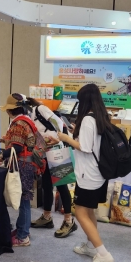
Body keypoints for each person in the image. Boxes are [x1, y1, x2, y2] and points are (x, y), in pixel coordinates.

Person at [56, 83, 114, 262]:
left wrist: (66, 138)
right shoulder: (101, 117)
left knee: (80, 213)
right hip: (98, 174)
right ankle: (91, 246)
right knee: (88, 212)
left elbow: (86, 148)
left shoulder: (88, 120)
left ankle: (103, 254)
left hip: (88, 175)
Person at [0, 94, 46, 247]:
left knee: (23, 201)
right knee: (24, 199)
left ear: (10, 110)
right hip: (29, 164)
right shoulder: (27, 120)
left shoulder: (18, 124)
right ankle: (23, 229)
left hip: (22, 165)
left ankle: (23, 236)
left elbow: (17, 148)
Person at [26, 97, 78, 238]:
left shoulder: (40, 109)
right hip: (45, 152)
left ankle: (69, 221)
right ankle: (47, 217)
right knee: (46, 185)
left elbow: (59, 122)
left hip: (56, 151)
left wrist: (58, 138)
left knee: (61, 185)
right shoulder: (29, 117)